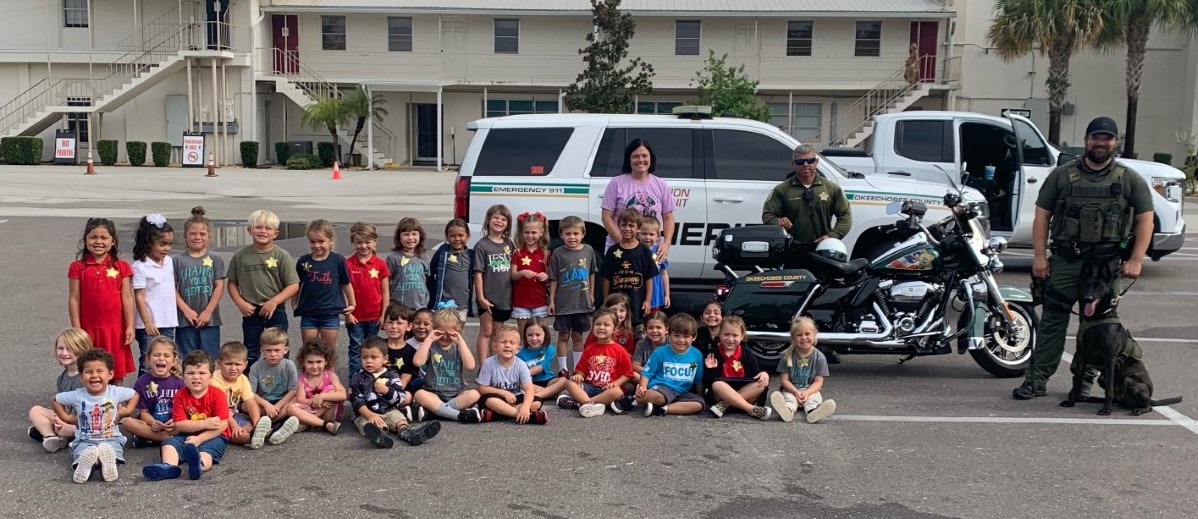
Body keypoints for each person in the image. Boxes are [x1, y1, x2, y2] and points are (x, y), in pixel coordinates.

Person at [1013, 116, 1155, 400]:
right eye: (1095, 137)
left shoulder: (1128, 178)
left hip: (1105, 266)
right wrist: (1039, 257)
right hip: (1067, 260)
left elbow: (1146, 219)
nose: (1101, 143)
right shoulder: (1062, 175)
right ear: (1086, 140)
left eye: (1107, 138)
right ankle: (1037, 380)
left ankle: (1084, 383)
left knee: (1099, 327)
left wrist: (1136, 259)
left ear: (1115, 142)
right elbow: (1042, 216)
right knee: (1053, 320)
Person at [762, 145, 852, 364]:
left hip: (822, 253)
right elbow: (768, 214)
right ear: (793, 164)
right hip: (794, 253)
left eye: (810, 161)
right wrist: (778, 221)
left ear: (817, 162)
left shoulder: (830, 188)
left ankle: (824, 345)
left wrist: (832, 235)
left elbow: (845, 217)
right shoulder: (783, 190)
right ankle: (792, 345)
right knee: (797, 300)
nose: (806, 166)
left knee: (824, 299)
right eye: (801, 162)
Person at [52, 349, 139, 484]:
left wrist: (126, 411)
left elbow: (134, 395)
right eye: (88, 372)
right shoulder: (78, 395)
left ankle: (105, 464)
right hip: (84, 440)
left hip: (111, 439)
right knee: (81, 453)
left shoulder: (114, 392)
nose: (94, 375)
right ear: (81, 377)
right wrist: (67, 418)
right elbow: (55, 400)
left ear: (110, 374)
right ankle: (90, 465)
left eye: (100, 371)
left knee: (113, 451)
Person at [141, 350, 230, 481]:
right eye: (190, 373)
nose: (196, 377)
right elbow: (180, 424)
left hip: (213, 435)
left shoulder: (217, 394)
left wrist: (200, 438)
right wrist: (204, 423)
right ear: (183, 377)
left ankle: (199, 465)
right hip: (186, 434)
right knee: (169, 443)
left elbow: (222, 424)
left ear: (211, 377)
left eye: (202, 373)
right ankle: (169, 466)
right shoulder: (180, 395)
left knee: (207, 451)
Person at [226, 209, 300, 367]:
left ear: (276, 233)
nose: (263, 231)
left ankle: (282, 378)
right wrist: (240, 303)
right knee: (251, 350)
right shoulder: (240, 256)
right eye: (258, 227)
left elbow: (293, 285)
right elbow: (232, 283)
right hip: (251, 311)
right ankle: (251, 380)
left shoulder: (281, 255)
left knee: (278, 349)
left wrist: (274, 302)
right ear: (249, 230)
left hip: (275, 310)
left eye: (268, 228)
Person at [68, 217, 135, 381]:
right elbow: (74, 299)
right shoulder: (77, 267)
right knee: (90, 370)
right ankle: (90, 396)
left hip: (115, 330)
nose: (98, 241)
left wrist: (130, 326)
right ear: (85, 240)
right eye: (93, 237)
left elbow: (127, 297)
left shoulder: (121, 266)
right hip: (88, 329)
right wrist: (77, 329)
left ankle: (115, 396)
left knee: (115, 372)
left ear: (113, 241)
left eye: (104, 237)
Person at [349, 337, 442, 448]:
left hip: (388, 410)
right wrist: (370, 415)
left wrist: (387, 391)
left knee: (398, 418)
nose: (368, 361)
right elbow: (357, 401)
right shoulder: (357, 377)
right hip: (366, 413)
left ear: (385, 359)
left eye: (373, 357)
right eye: (364, 357)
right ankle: (380, 435)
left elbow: (400, 397)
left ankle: (409, 433)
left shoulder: (392, 374)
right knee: (367, 424)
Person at [600, 138, 676, 263]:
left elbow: (668, 218)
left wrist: (666, 244)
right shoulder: (616, 183)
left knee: (653, 276)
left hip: (650, 250)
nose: (641, 160)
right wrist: (622, 242)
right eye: (635, 156)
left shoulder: (660, 184)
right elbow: (606, 217)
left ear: (651, 158)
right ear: (628, 159)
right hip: (620, 250)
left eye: (645, 155)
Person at [556, 308, 634, 418]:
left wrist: (616, 383)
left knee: (617, 392)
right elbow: (581, 370)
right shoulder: (589, 348)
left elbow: (628, 374)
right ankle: (589, 404)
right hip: (590, 387)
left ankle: (584, 403)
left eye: (606, 325)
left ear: (615, 329)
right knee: (569, 383)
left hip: (608, 389)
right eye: (597, 324)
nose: (601, 327)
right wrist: (579, 375)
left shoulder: (620, 350)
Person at [413, 308, 483, 423]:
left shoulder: (459, 347)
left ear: (457, 332)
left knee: (474, 394)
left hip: (456, 394)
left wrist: (460, 341)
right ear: (434, 330)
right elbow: (417, 362)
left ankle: (434, 412)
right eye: (441, 333)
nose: (445, 337)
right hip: (433, 393)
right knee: (419, 394)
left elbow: (470, 366)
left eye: (449, 334)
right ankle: (459, 415)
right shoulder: (431, 346)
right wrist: (429, 339)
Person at [173, 207, 227, 358]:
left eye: (202, 234)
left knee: (209, 359)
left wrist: (208, 312)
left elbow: (219, 286)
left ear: (209, 236)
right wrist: (186, 310)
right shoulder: (177, 260)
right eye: (193, 233)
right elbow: (172, 288)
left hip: (210, 319)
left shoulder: (215, 258)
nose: (197, 237)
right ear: (185, 236)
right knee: (187, 359)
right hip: (185, 320)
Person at [294, 219, 355, 351]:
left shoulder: (337, 260)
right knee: (309, 350)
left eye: (321, 241)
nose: (317, 245)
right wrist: (295, 303)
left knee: (328, 351)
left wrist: (352, 303)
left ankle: (328, 366)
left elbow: (346, 283)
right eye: (312, 242)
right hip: (309, 314)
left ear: (330, 240)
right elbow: (296, 284)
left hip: (330, 314)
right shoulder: (303, 261)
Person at [547, 215, 598, 373]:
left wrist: (591, 293)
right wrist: (552, 300)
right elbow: (554, 278)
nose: (572, 237)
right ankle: (563, 369)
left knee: (578, 337)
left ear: (583, 234)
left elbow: (592, 273)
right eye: (568, 233)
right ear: (561, 234)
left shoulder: (588, 250)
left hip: (581, 302)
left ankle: (577, 369)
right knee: (563, 336)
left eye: (576, 233)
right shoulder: (558, 253)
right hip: (564, 303)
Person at [28, 328, 92, 453]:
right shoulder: (62, 377)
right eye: (61, 348)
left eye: (70, 349)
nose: (64, 353)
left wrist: (70, 424)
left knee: (67, 428)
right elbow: (61, 404)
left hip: (85, 420)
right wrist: (58, 418)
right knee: (35, 410)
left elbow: (91, 408)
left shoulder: (86, 377)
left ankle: (63, 434)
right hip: (67, 416)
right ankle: (50, 437)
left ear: (83, 350)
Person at [131, 213, 178, 376]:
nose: (167, 248)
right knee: (148, 362)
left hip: (168, 320)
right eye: (162, 244)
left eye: (169, 244)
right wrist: (147, 322)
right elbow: (139, 296)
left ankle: (165, 390)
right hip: (149, 324)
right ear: (149, 242)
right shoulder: (140, 266)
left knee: (167, 360)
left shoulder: (169, 261)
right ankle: (143, 391)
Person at [634, 313, 705, 417]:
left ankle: (662, 409)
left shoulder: (697, 355)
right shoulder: (660, 352)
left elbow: (698, 381)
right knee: (657, 396)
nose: (681, 340)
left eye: (686, 336)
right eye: (676, 336)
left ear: (694, 337)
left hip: (683, 392)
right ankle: (638, 398)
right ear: (669, 335)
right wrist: (642, 387)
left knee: (699, 405)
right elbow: (647, 373)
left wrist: (701, 397)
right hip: (663, 389)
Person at [769, 317, 837, 423]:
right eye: (799, 335)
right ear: (793, 337)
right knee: (789, 399)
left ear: (814, 334)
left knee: (813, 399)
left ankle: (813, 412)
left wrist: (807, 392)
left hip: (810, 390)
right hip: (791, 389)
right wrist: (796, 392)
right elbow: (784, 380)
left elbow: (818, 382)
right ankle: (787, 411)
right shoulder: (787, 356)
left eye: (807, 334)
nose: (804, 337)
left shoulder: (819, 357)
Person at [477, 325, 549, 424]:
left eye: (512, 343)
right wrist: (504, 393)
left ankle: (495, 415)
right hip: (497, 397)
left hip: (516, 397)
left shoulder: (521, 365)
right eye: (503, 342)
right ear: (495, 346)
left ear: (518, 349)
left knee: (537, 402)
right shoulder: (488, 363)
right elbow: (482, 388)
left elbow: (529, 389)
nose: (507, 345)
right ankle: (524, 416)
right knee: (489, 400)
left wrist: (525, 407)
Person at [702, 316, 772, 420]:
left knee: (760, 384)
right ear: (719, 334)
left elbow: (756, 374)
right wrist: (711, 369)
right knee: (717, 384)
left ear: (742, 336)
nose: (730, 339)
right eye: (726, 334)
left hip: (741, 398)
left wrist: (764, 374)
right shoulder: (713, 353)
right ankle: (751, 409)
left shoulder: (747, 353)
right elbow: (707, 383)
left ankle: (725, 404)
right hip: (721, 397)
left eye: (735, 335)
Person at [122, 336, 185, 447]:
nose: (161, 358)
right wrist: (153, 423)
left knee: (189, 423)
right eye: (156, 355)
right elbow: (144, 412)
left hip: (174, 424)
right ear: (148, 359)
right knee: (127, 422)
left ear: (174, 360)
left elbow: (185, 409)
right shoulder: (141, 382)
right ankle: (163, 438)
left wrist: (175, 421)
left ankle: (149, 438)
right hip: (151, 424)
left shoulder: (180, 382)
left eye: (166, 356)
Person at [345, 222, 390, 377]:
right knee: (356, 348)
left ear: (375, 242)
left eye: (367, 242)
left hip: (375, 316)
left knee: (373, 350)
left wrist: (384, 314)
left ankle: (372, 380)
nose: (363, 246)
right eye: (359, 242)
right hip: (355, 317)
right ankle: (355, 381)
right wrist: (348, 313)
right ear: (353, 242)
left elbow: (385, 291)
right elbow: (343, 291)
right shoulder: (347, 264)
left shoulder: (380, 264)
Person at [601, 208, 659, 329]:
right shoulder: (613, 251)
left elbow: (649, 278)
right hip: (616, 305)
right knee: (615, 329)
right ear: (618, 226)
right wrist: (606, 300)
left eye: (631, 225)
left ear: (638, 228)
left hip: (637, 302)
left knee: (636, 331)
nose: (627, 229)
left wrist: (648, 300)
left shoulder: (644, 251)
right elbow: (606, 278)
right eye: (623, 225)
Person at [473, 204, 515, 361]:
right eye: (496, 218)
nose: (499, 221)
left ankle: (494, 365)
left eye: (503, 219)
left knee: (497, 333)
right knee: (486, 331)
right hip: (487, 297)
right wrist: (481, 298)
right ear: (488, 220)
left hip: (504, 297)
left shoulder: (509, 244)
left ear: (507, 224)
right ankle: (484, 367)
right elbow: (478, 274)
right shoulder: (482, 245)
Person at [211, 341, 272, 449]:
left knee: (252, 422)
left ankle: (261, 432)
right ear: (219, 363)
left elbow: (251, 402)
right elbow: (222, 409)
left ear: (245, 365)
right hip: (217, 416)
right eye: (228, 364)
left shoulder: (243, 379)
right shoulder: (214, 381)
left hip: (234, 414)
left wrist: (256, 424)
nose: (233, 368)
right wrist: (235, 426)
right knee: (237, 435)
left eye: (237, 364)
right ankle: (258, 436)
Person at [247, 328, 301, 445]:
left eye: (277, 350)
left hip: (282, 402)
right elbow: (251, 392)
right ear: (262, 350)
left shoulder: (289, 365)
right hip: (263, 403)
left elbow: (293, 390)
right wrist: (266, 405)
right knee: (247, 404)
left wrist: (277, 406)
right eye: (268, 350)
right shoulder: (256, 367)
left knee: (297, 398)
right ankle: (274, 426)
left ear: (285, 350)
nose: (273, 354)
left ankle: (266, 424)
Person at [381, 303, 425, 422]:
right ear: (384, 324)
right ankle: (395, 411)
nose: (394, 326)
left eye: (399, 323)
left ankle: (389, 409)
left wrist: (389, 393)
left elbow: (404, 380)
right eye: (390, 322)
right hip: (376, 387)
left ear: (409, 326)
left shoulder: (411, 352)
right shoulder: (378, 346)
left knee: (408, 397)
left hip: (396, 390)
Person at [510, 211, 550, 336]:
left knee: (541, 333)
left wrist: (546, 276)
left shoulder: (545, 253)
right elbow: (513, 275)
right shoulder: (517, 253)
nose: (530, 236)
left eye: (534, 232)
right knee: (524, 334)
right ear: (521, 232)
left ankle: (541, 350)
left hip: (540, 300)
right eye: (526, 232)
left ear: (541, 232)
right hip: (521, 301)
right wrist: (522, 273)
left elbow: (550, 276)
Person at [429, 218, 473, 321]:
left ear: (468, 236)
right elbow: (431, 272)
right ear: (447, 237)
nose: (457, 239)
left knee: (458, 329)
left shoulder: (471, 255)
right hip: (443, 304)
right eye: (452, 236)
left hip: (462, 305)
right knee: (442, 329)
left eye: (461, 235)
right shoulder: (442, 253)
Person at [516, 318, 569, 401]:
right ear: (525, 335)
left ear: (545, 335)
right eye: (530, 335)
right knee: (520, 384)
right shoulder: (520, 352)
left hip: (547, 380)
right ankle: (551, 393)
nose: (534, 338)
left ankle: (537, 396)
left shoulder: (549, 349)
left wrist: (524, 373)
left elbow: (540, 368)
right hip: (529, 382)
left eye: (538, 335)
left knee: (563, 380)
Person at [387, 217, 431, 310]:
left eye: (414, 234)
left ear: (420, 236)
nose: (410, 238)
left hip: (420, 306)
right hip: (399, 307)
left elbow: (427, 280)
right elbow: (386, 283)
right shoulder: (393, 258)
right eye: (406, 234)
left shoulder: (424, 257)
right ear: (399, 238)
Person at [639, 218, 670, 312]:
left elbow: (664, 274)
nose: (647, 237)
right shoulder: (635, 250)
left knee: (654, 317)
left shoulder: (659, 252)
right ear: (638, 234)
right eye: (644, 233)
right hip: (639, 291)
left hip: (655, 294)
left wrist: (667, 295)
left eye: (651, 234)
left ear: (657, 236)